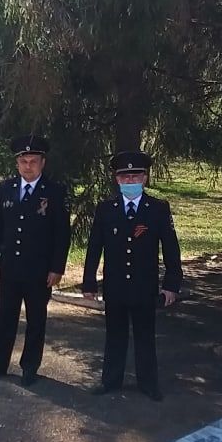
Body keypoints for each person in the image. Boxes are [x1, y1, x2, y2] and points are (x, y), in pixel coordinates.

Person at [81, 150, 182, 400]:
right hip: (115, 284)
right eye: (124, 177)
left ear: (145, 178)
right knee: (114, 335)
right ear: (117, 179)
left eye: (135, 176)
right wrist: (89, 282)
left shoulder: (157, 209)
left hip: (144, 285)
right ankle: (110, 381)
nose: (130, 181)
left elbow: (171, 247)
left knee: (145, 336)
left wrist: (171, 284)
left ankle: (148, 384)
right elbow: (95, 247)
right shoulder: (106, 209)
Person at [0, 135, 71, 387]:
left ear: (43, 163)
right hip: (10, 268)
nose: (28, 166)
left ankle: (29, 367)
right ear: (17, 163)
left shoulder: (54, 192)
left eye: (33, 161)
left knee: (36, 321)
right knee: (4, 318)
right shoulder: (6, 189)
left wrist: (56, 267)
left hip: (39, 271)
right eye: (23, 161)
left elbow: (62, 234)